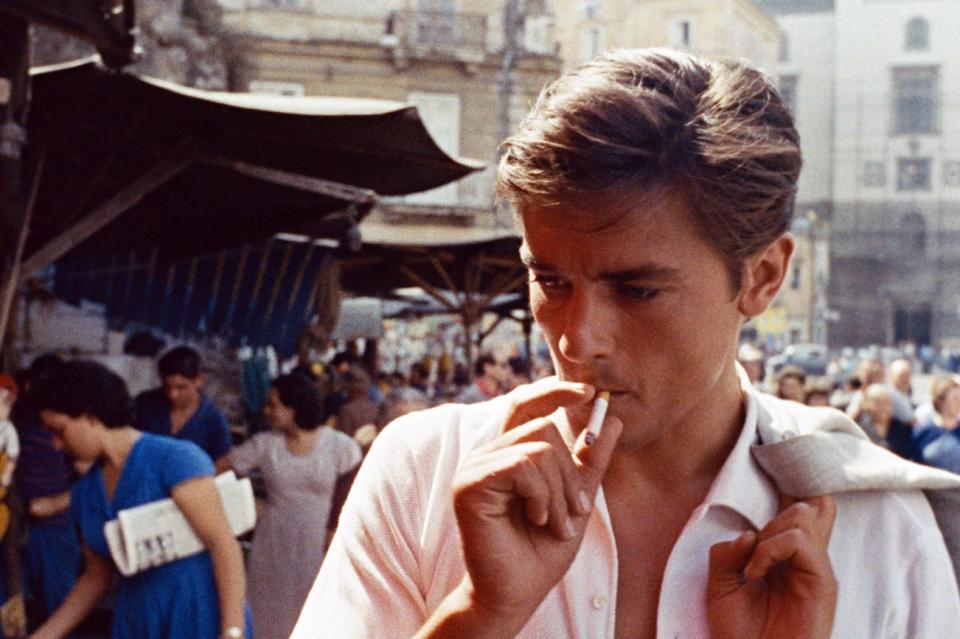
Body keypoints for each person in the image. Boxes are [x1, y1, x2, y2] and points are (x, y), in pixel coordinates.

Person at [292, 49, 960, 638]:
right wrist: (480, 613)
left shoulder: (882, 531)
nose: (578, 337)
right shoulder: (424, 472)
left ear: (762, 277)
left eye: (637, 291)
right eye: (549, 279)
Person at [29, 360, 251, 639]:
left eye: (59, 430)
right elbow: (96, 579)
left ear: (90, 416)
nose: (56, 444)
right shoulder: (86, 492)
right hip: (139, 620)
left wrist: (232, 631)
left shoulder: (173, 459)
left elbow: (223, 545)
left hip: (198, 614)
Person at [218, 373, 361, 639]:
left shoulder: (338, 446)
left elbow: (354, 496)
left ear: (294, 407)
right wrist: (245, 500)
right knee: (268, 614)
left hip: (320, 542)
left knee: (315, 612)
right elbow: (218, 469)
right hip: (273, 542)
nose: (266, 410)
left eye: (273, 404)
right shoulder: (266, 445)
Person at [9, 355, 81, 632]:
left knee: (60, 607)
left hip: (56, 528)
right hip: (14, 526)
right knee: (11, 602)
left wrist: (57, 503)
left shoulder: (69, 425)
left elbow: (90, 480)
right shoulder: (13, 415)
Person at [134, 346, 233, 460]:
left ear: (199, 380)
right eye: (166, 386)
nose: (172, 394)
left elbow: (222, 465)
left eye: (181, 387)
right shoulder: (143, 404)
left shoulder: (214, 422)